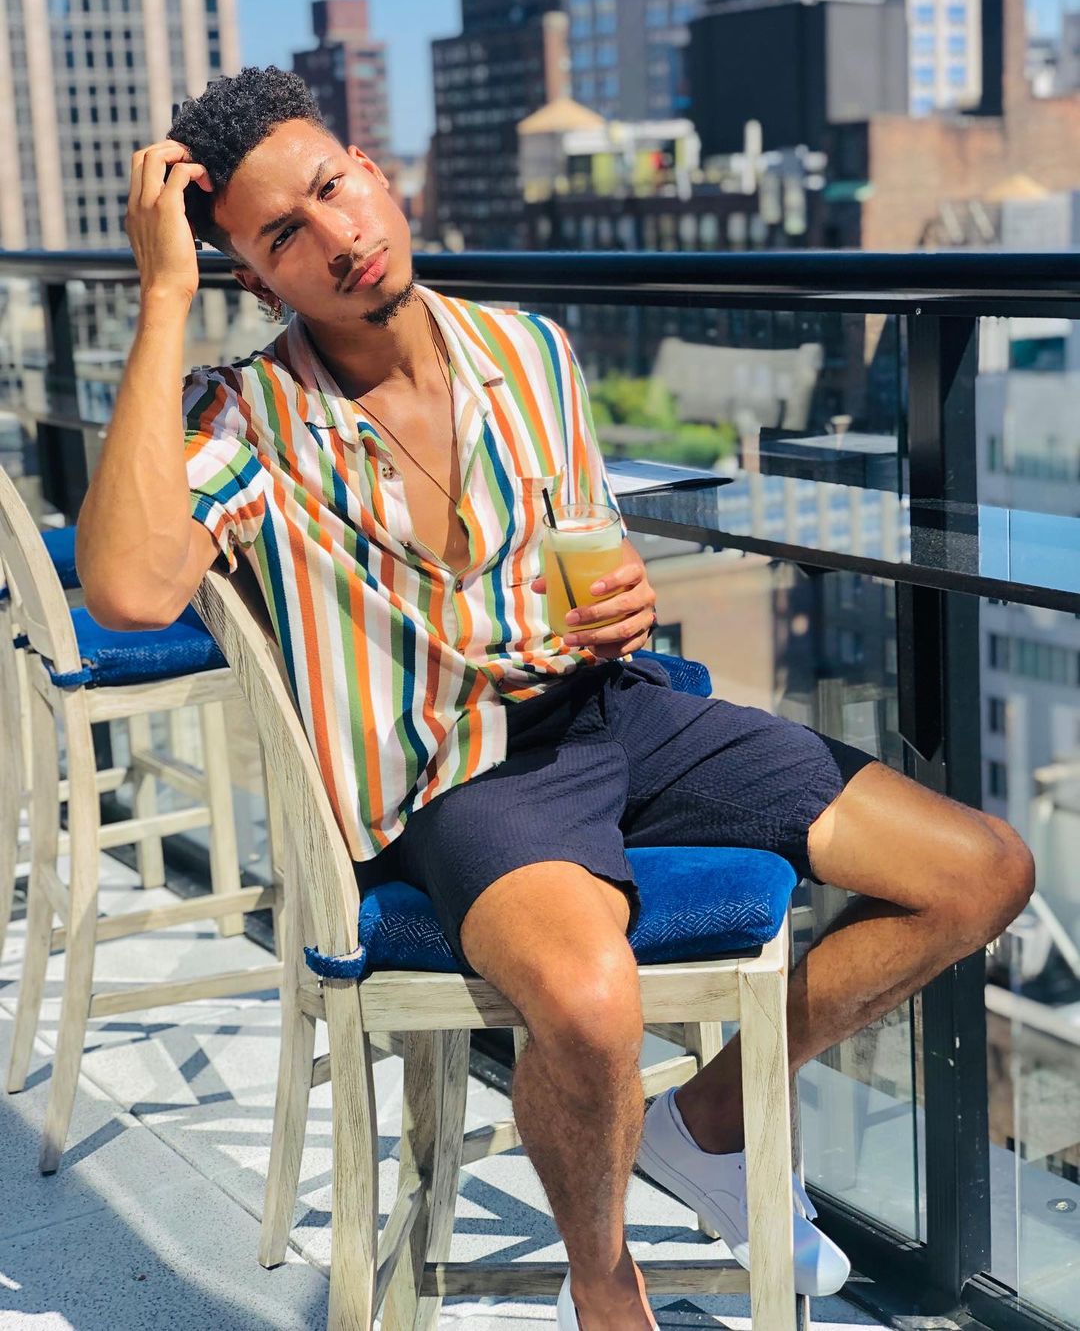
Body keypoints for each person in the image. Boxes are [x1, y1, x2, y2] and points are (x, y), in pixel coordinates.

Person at [76, 68, 1035, 1331]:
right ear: (253, 278)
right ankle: (604, 1286)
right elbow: (130, 588)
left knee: (980, 872)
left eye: (333, 190)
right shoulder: (249, 417)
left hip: (617, 706)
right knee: (589, 1006)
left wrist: (628, 592)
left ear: (373, 171)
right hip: (463, 769)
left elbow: (586, 546)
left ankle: (706, 1122)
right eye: (283, 236)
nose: (338, 237)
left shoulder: (528, 351)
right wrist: (161, 297)